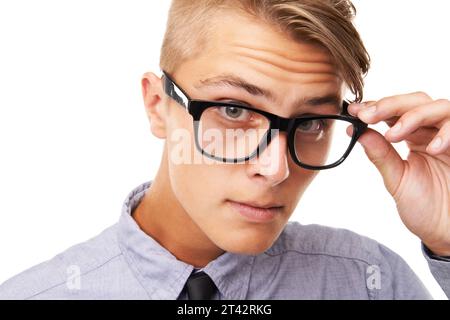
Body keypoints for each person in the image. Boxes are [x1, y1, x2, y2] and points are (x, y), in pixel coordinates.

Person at [0, 0, 449, 300]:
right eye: (234, 110)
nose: (275, 168)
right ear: (158, 106)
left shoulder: (371, 283)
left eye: (310, 122)